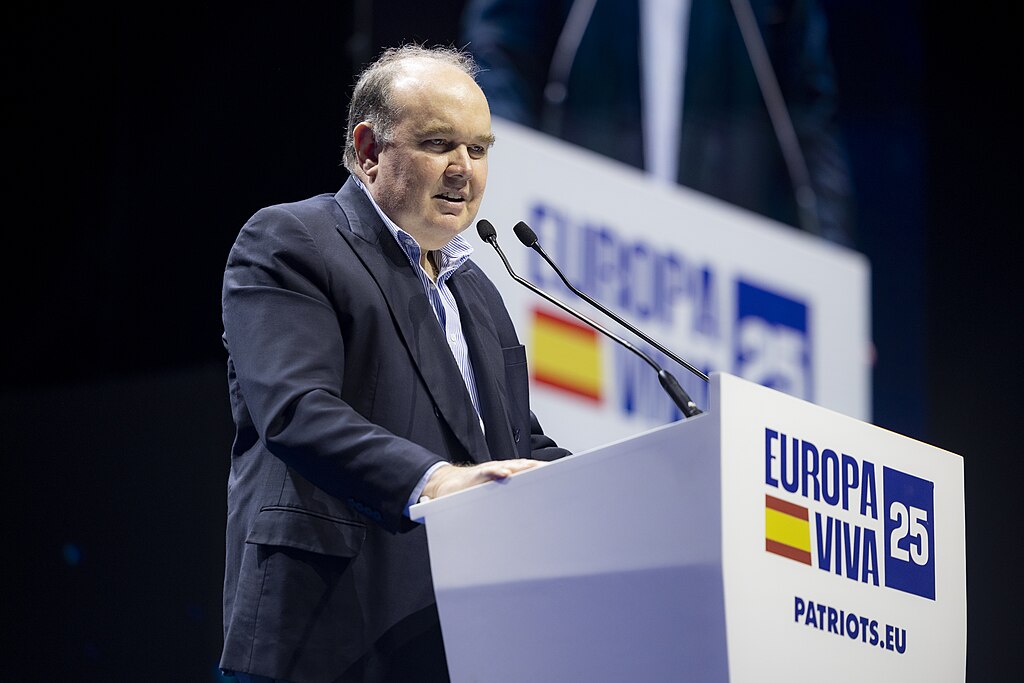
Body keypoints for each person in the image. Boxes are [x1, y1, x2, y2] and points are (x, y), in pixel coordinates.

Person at [218, 44, 570, 683]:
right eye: (439, 144)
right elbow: (297, 411)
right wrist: (436, 482)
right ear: (369, 150)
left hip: (458, 633)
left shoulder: (479, 293)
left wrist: (627, 484)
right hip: (331, 626)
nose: (463, 169)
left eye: (479, 149)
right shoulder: (292, 241)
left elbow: (515, 444)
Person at [460, 0, 856, 248]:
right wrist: (503, 195)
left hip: (726, 261)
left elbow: (809, 126)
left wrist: (839, 299)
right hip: (582, 240)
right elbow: (501, 65)